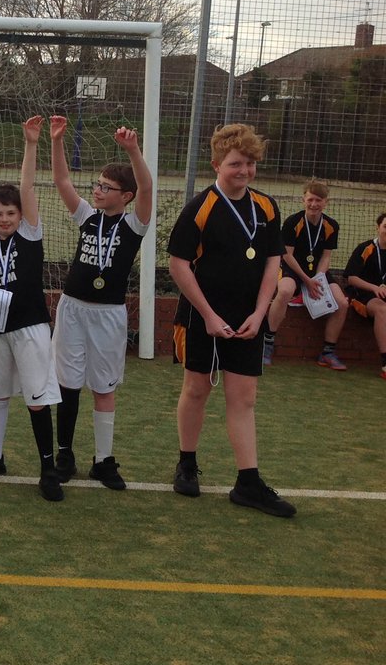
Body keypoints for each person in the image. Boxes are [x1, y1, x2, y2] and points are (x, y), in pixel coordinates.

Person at [167, 123, 295, 518]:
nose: (244, 170)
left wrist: (260, 313)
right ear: (217, 163)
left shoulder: (267, 207)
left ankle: (247, 482)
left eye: (251, 163)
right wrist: (207, 315)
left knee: (244, 398)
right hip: (202, 316)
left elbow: (273, 261)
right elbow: (177, 264)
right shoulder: (200, 208)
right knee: (198, 389)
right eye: (236, 163)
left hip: (247, 319)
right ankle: (187, 463)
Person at [46, 117, 153, 491]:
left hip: (108, 315)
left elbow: (147, 187)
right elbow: (62, 181)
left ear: (125, 195)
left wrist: (132, 150)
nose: (98, 190)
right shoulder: (88, 218)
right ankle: (65, 455)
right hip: (73, 309)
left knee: (104, 388)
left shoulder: (134, 224)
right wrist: (57, 141)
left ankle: (103, 461)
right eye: (97, 184)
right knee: (68, 384)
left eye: (106, 187)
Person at [0, 116, 64, 501]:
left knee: (37, 398)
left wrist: (31, 144)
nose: (4, 219)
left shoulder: (30, 235)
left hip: (30, 326)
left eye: (10, 213)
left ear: (21, 215)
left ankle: (48, 467)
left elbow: (26, 185)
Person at [263, 181, 349, 370]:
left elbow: (326, 257)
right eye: (310, 199)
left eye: (318, 200)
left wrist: (318, 278)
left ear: (326, 202)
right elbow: (287, 255)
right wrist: (306, 280)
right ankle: (267, 343)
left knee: (342, 303)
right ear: (303, 200)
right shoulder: (293, 222)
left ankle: (327, 352)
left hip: (316, 273)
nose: (314, 204)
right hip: (292, 269)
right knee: (285, 291)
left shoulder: (331, 225)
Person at [343, 212, 386, 380]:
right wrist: (375, 287)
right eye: (385, 227)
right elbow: (351, 278)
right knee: (383, 310)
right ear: (378, 228)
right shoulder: (365, 248)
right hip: (364, 296)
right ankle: (384, 362)